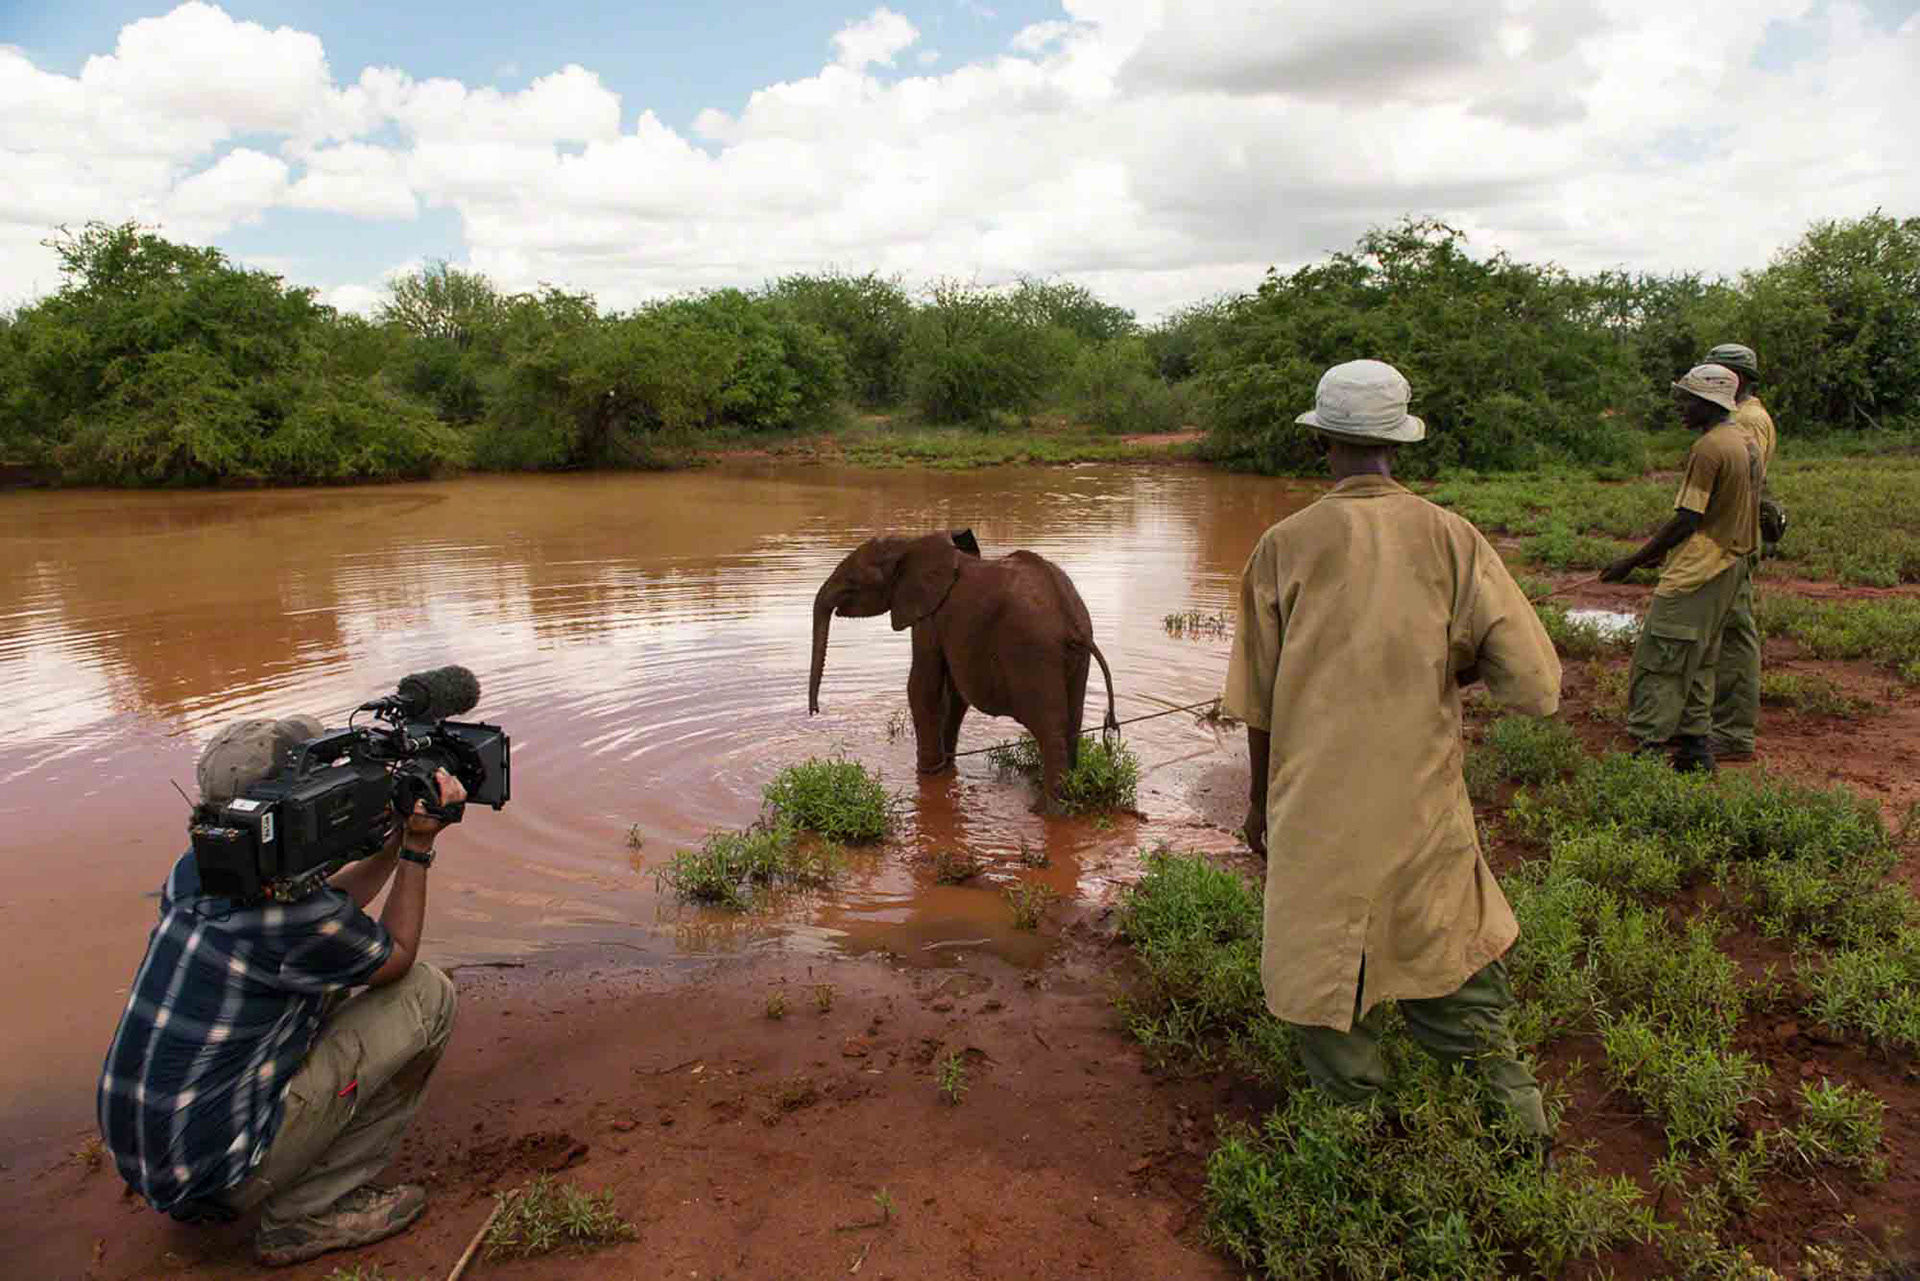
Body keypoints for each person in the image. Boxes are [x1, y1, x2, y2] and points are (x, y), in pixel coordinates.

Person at [1220, 359, 1562, 1143]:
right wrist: (1455, 664)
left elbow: (1258, 703)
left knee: (1324, 980)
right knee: (1456, 977)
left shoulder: (1282, 545)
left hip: (1317, 818)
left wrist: (1259, 803)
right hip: (1423, 812)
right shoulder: (1453, 538)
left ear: (1322, 445)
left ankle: (1355, 1145)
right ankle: (1521, 1144)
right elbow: (1537, 686)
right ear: (1398, 446)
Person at [98, 716, 465, 1267]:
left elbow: (327, 915)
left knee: (327, 988)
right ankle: (307, 1214)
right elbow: (395, 956)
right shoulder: (289, 915)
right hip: (217, 1173)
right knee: (426, 996)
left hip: (153, 1156)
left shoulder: (195, 870)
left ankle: (230, 1179)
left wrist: (385, 843)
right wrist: (416, 848)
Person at [1601, 364, 1761, 772]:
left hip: (1699, 567)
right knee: (1702, 660)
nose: (1680, 408)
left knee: (1661, 658)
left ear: (1709, 403)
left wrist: (1633, 560)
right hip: (1730, 566)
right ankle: (1694, 750)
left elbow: (1689, 518)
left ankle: (1648, 753)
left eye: (1687, 400)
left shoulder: (1708, 449)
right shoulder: (1743, 440)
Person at [1700, 342, 1777, 762]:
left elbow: (1742, 483)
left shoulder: (1747, 420)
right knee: (1725, 632)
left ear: (1738, 380)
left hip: (1733, 537)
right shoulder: (1743, 417)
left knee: (1734, 634)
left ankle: (1733, 733)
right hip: (1734, 534)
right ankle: (1721, 724)